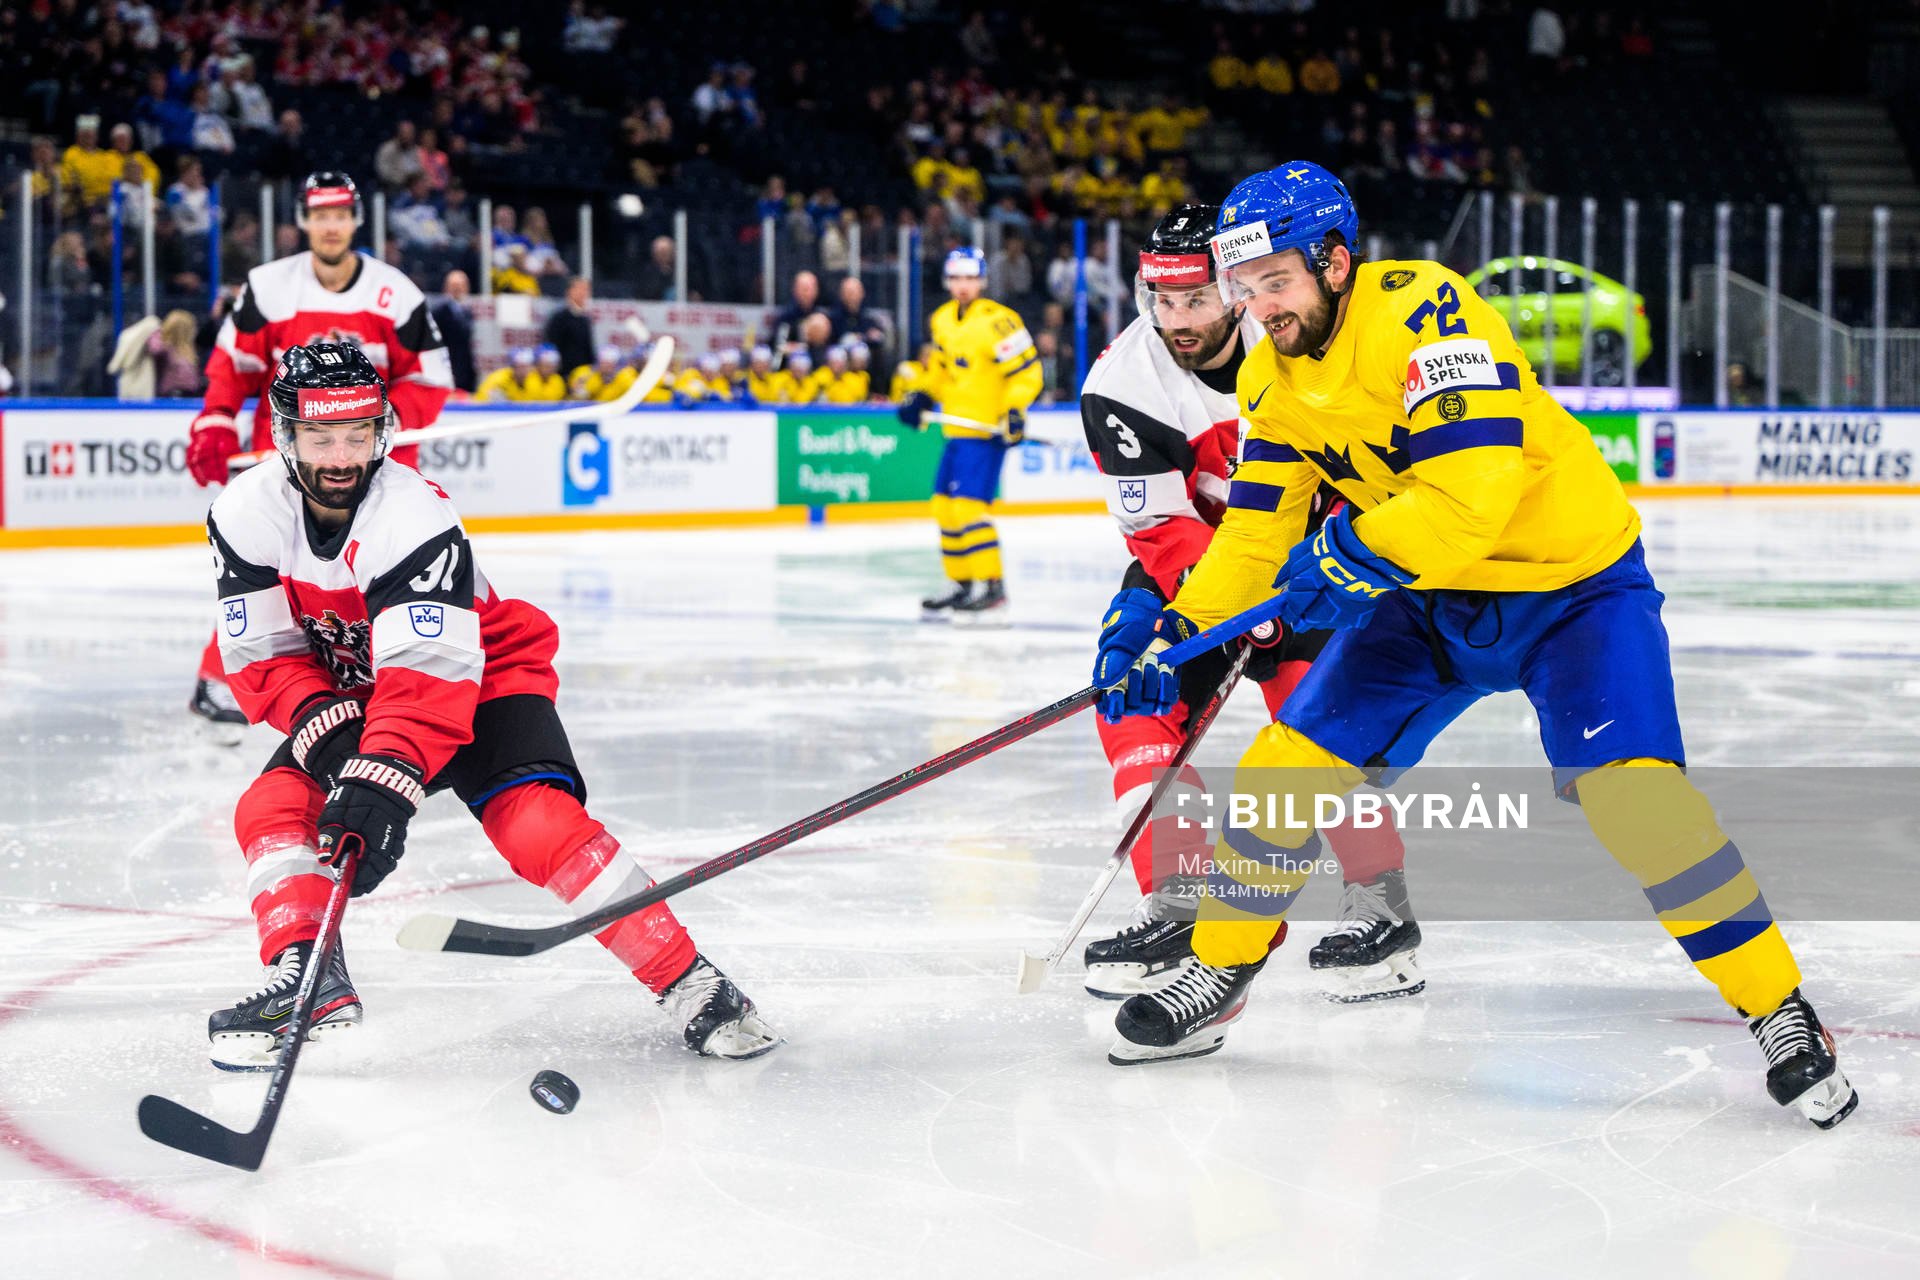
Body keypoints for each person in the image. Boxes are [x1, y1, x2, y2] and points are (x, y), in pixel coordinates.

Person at [1090, 162, 1858, 1131]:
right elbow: (1253, 534)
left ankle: (1782, 1009)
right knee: (1287, 767)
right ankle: (1220, 965)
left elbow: (1473, 495)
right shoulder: (1269, 373)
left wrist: (1350, 551)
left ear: (1335, 261)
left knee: (1640, 801)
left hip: (1569, 591)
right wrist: (1176, 628)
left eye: (1274, 281)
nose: (1258, 307)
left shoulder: (1429, 316)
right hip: (1428, 600)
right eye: (1243, 288)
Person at [203, 343, 778, 1067]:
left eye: (357, 435)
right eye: (321, 439)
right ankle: (307, 979)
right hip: (363, 694)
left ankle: (693, 984)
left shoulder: (411, 516)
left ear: (380, 428)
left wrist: (378, 786)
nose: (342, 457)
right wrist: (329, 737)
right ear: (288, 436)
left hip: (479, 676)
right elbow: (265, 654)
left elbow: (427, 684)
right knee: (269, 810)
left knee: (536, 824)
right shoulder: (245, 513)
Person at [1077, 205, 1414, 1002]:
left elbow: (1362, 474)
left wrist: (1300, 583)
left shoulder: (1294, 335)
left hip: (1318, 560)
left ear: (1233, 292)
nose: (1176, 320)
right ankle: (1182, 900)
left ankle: (1383, 909)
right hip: (1204, 568)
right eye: (1160, 301)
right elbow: (1159, 525)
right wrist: (1214, 608)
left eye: (1194, 299)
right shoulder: (1121, 383)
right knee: (1129, 699)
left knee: (1314, 719)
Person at [185, 171, 453, 734]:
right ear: (303, 221)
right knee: (270, 565)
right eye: (319, 215)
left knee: (378, 568)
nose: (331, 226)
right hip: (289, 456)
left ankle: (381, 671)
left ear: (356, 219)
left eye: (340, 214)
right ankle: (224, 675)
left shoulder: (395, 293)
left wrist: (383, 424)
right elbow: (232, 367)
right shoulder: (268, 288)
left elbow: (428, 378)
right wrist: (213, 423)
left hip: (368, 458)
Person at [896, 247, 1042, 620]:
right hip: (956, 428)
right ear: (948, 281)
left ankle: (992, 586)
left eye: (970, 278)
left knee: (969, 508)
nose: (963, 285)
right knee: (944, 506)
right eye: (957, 278)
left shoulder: (1000, 322)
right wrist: (923, 394)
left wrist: (1013, 411)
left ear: (982, 280)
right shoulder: (943, 319)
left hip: (986, 431)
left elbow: (1027, 373)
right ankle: (960, 582)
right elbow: (943, 371)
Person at [430, 270, 476, 393]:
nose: (458, 289)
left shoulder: (467, 311)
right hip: (447, 369)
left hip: (464, 370)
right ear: (446, 288)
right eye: (454, 286)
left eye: (461, 286)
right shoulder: (439, 311)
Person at [543, 276, 596, 378]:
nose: (584, 293)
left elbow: (588, 349)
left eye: (586, 290)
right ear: (570, 291)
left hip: (582, 376)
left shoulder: (585, 320)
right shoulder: (559, 318)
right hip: (562, 374)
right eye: (580, 289)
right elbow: (552, 347)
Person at [570, 343, 635, 401]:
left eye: (609, 364)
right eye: (603, 363)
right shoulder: (585, 373)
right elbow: (578, 396)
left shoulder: (624, 376)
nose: (605, 367)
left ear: (616, 365)